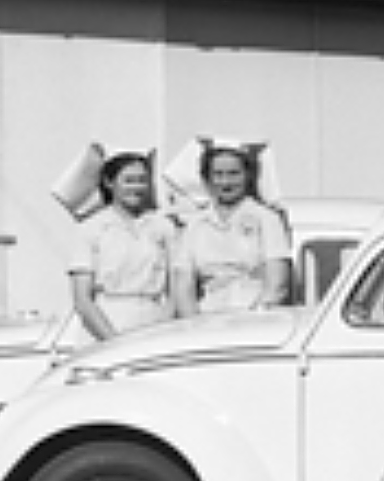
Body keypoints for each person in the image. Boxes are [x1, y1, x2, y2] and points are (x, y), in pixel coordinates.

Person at [171, 141, 293, 316]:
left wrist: (252, 321)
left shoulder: (267, 219)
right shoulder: (195, 225)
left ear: (248, 176)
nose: (226, 182)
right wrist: (194, 325)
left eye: (234, 174)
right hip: (207, 321)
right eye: (218, 174)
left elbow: (277, 285)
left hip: (255, 320)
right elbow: (183, 284)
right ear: (207, 179)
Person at [68, 151, 175, 340]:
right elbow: (82, 300)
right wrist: (113, 341)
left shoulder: (162, 226)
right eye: (129, 180)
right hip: (106, 322)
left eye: (142, 180)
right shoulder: (92, 228)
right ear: (110, 183)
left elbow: (176, 287)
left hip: (154, 322)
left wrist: (164, 327)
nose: (137, 187)